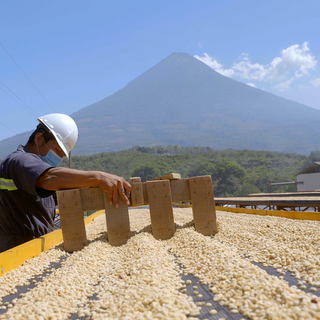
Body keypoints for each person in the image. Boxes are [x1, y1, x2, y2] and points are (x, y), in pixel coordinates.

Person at [0, 113, 131, 253]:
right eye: (56, 151)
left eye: (61, 156)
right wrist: (98, 178)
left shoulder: (38, 178)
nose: (57, 159)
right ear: (39, 138)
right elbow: (50, 177)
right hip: (15, 253)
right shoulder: (20, 161)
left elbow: (58, 190)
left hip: (35, 250)